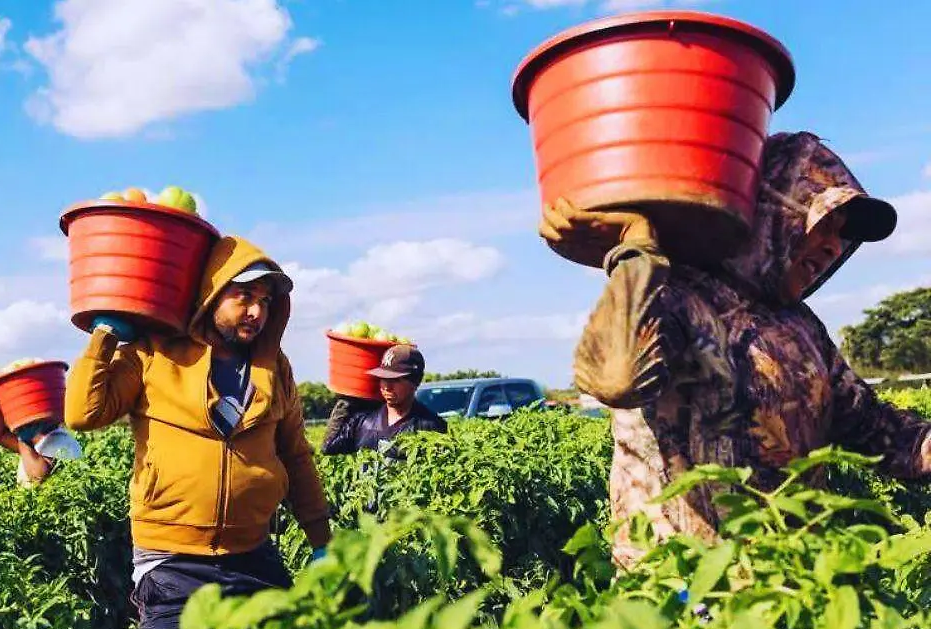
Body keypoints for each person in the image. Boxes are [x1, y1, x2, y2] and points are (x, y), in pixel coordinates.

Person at [543, 131, 931, 568]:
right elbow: (616, 379)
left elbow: (876, 429)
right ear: (776, 212)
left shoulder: (801, 327)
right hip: (682, 595)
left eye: (842, 237)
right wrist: (636, 253)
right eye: (825, 223)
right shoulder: (677, 299)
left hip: (786, 589)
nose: (834, 246)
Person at [63, 235, 332, 629]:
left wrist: (321, 540)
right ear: (212, 295)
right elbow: (83, 413)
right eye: (244, 296)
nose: (256, 311)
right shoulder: (153, 354)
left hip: (253, 555)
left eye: (264, 300)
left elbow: (296, 455)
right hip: (171, 562)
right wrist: (105, 337)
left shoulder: (274, 367)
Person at [322, 344, 447, 457]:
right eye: (383, 378)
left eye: (395, 380)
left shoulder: (430, 426)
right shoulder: (364, 422)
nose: (387, 386)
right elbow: (329, 447)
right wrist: (347, 399)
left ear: (415, 381)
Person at [0, 406, 82, 487]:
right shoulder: (32, 443)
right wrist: (0, 399)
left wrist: (23, 440)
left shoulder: (61, 441)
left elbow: (39, 479)